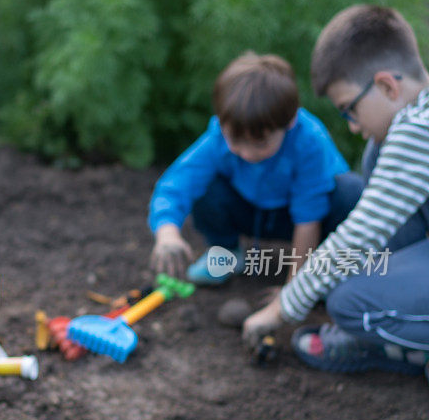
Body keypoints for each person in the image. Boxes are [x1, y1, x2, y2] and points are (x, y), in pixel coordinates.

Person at [243, 5, 429, 375]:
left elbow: (360, 234)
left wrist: (279, 311)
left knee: (348, 302)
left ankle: (399, 348)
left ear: (386, 86)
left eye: (349, 110)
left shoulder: (417, 129)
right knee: (363, 170)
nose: (352, 126)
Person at [149, 52, 363, 286]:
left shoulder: (308, 141)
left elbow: (308, 218)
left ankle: (321, 270)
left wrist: (293, 291)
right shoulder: (218, 138)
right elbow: (177, 183)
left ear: (289, 122)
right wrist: (167, 233)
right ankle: (227, 256)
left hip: (307, 218)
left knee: (349, 191)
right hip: (252, 211)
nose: (247, 153)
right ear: (221, 122)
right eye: (234, 140)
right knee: (206, 184)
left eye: (260, 143)